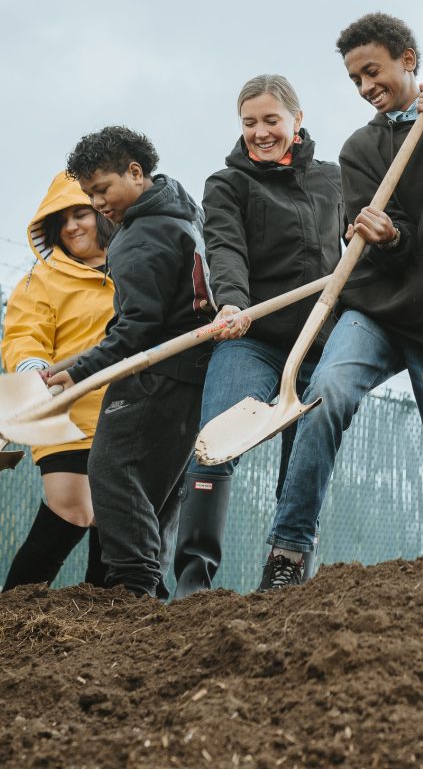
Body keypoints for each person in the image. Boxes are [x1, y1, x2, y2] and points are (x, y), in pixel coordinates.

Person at [259, 12, 423, 588]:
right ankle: (288, 555)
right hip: (377, 310)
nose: (365, 86)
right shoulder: (361, 147)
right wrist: (388, 235)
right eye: (355, 78)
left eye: (372, 71)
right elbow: (382, 242)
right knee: (325, 395)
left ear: (408, 59)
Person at [172, 75, 344, 597]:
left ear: (298, 119)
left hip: (318, 344)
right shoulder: (228, 183)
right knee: (217, 443)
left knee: (304, 459)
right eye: (250, 123)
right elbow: (225, 246)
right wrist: (233, 303)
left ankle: (286, 578)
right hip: (254, 335)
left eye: (272, 120)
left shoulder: (334, 179)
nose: (261, 132)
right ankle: (193, 581)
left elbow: (354, 245)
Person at [47, 127, 214, 598]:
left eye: (102, 190)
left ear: (135, 172)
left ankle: (135, 586)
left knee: (113, 471)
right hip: (190, 375)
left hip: (155, 375)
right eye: (89, 193)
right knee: (158, 489)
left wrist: (78, 369)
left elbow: (138, 326)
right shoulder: (183, 214)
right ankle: (148, 592)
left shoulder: (142, 235)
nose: (98, 204)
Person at [0, 174, 115, 590]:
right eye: (60, 220)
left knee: (114, 519)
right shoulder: (43, 279)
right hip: (64, 410)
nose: (71, 227)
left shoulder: (137, 266)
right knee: (71, 508)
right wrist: (33, 368)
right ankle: (7, 616)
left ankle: (104, 624)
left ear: (103, 213)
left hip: (125, 411)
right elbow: (23, 334)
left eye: (81, 213)